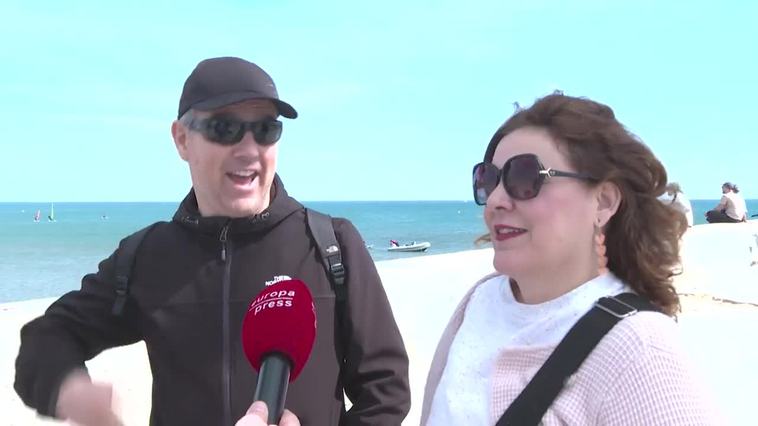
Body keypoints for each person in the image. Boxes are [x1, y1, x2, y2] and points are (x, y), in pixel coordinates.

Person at [14, 57, 410, 426]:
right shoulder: (146, 256)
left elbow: (386, 389)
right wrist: (74, 396)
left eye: (266, 129)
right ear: (182, 139)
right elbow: (47, 338)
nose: (250, 148)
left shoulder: (330, 244)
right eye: (225, 128)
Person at [421, 94, 718, 424]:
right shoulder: (480, 301)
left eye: (524, 177)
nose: (495, 200)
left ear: (603, 202)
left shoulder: (639, 351)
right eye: (488, 179)